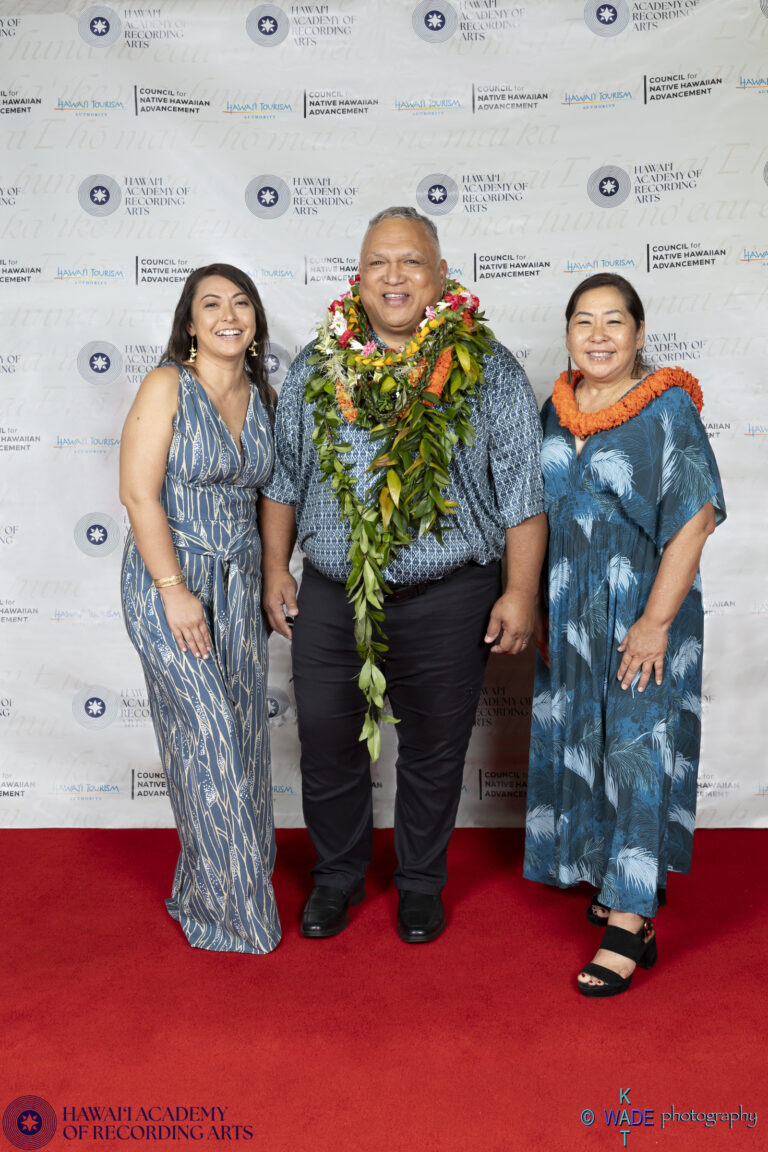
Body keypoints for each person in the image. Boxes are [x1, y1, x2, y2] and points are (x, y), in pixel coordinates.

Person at [261, 206, 546, 944]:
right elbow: (285, 479)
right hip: (332, 593)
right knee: (327, 740)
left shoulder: (488, 368)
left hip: (449, 595)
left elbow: (523, 491)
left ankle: (421, 883)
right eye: (378, 263)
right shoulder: (316, 367)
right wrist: (274, 567)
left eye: (411, 261)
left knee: (434, 749)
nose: (394, 276)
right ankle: (337, 877)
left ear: (440, 275)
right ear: (358, 278)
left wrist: (519, 592)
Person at [523, 273, 725, 996]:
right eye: (584, 320)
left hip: (644, 609)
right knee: (590, 746)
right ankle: (617, 881)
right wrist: (538, 608)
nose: (599, 335)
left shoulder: (668, 407)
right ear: (568, 334)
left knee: (639, 755)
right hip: (570, 612)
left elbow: (696, 519)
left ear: (639, 334)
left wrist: (655, 623)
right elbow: (540, 518)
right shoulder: (556, 408)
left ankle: (630, 922)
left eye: (615, 321)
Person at [120, 263, 281, 953]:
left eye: (241, 303)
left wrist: (274, 575)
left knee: (241, 739)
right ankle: (231, 914)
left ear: (255, 321)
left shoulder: (264, 395)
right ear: (190, 322)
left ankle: (209, 886)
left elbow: (274, 498)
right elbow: (138, 494)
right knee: (207, 735)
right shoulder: (167, 385)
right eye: (211, 304)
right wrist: (173, 589)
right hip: (170, 582)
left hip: (239, 584)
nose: (228, 315)